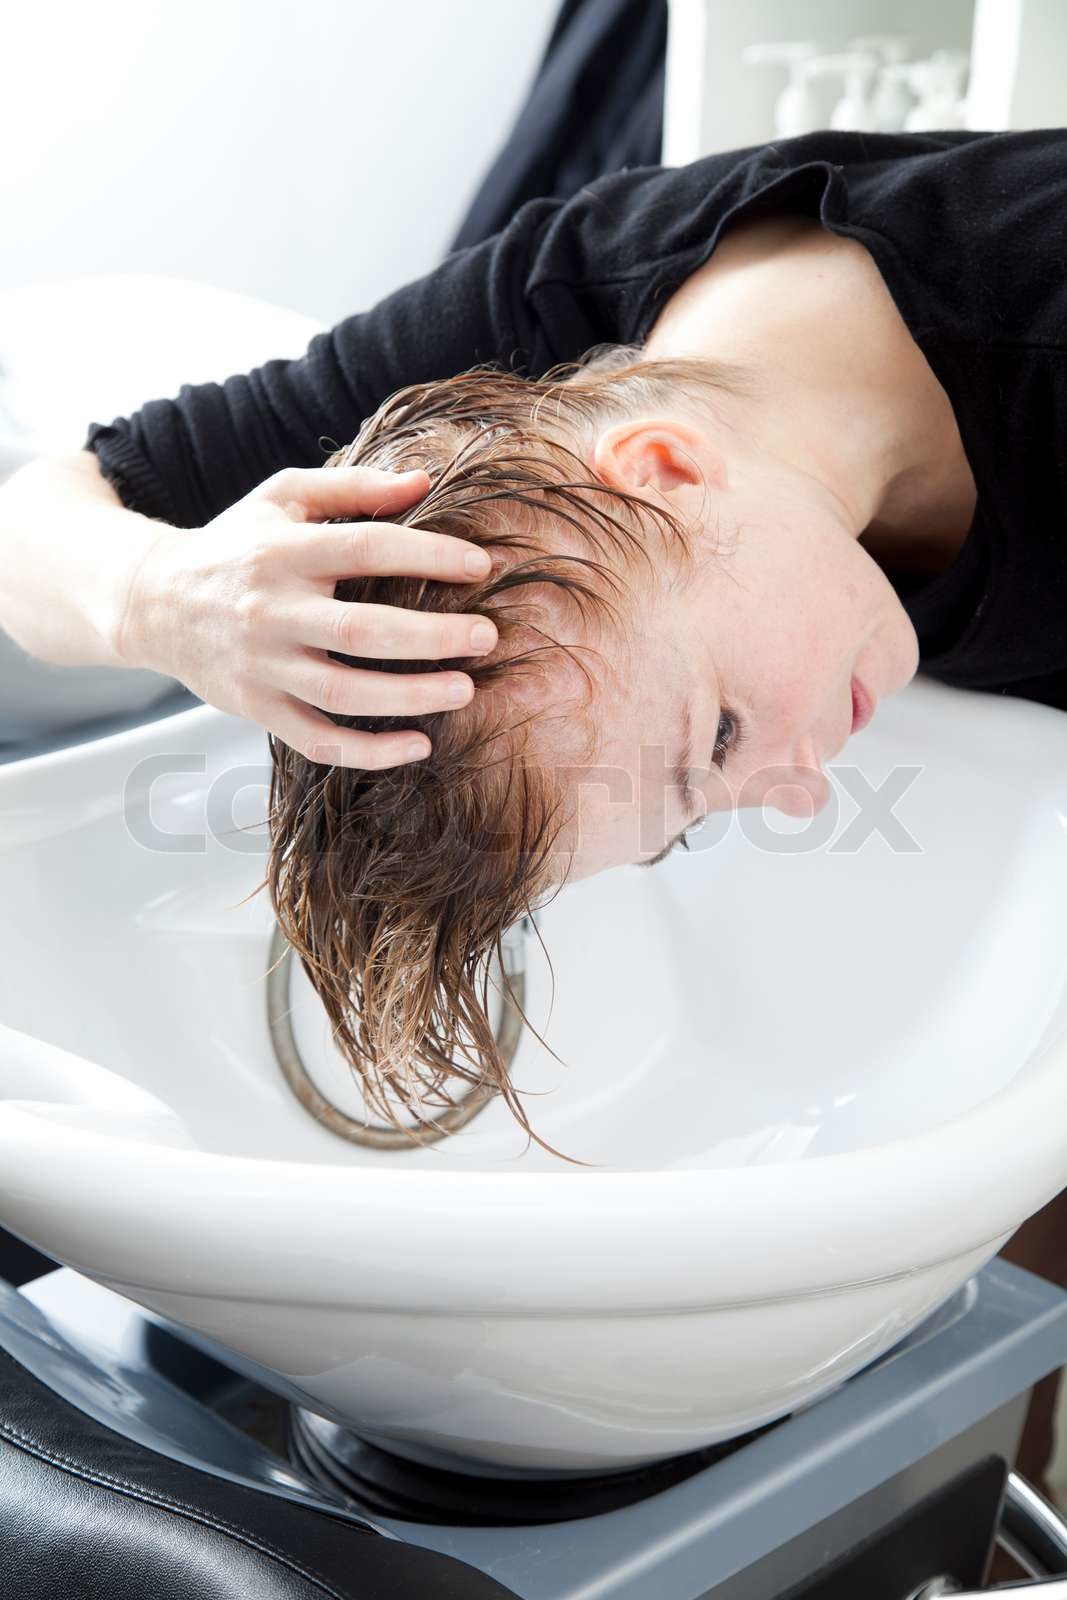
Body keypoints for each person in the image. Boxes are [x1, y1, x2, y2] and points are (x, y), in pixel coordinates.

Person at [1, 125, 1066, 1506]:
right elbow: (40, 525)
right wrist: (170, 600)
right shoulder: (522, 388)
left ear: (668, 469)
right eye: (692, 806)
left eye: (720, 735)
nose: (805, 791)